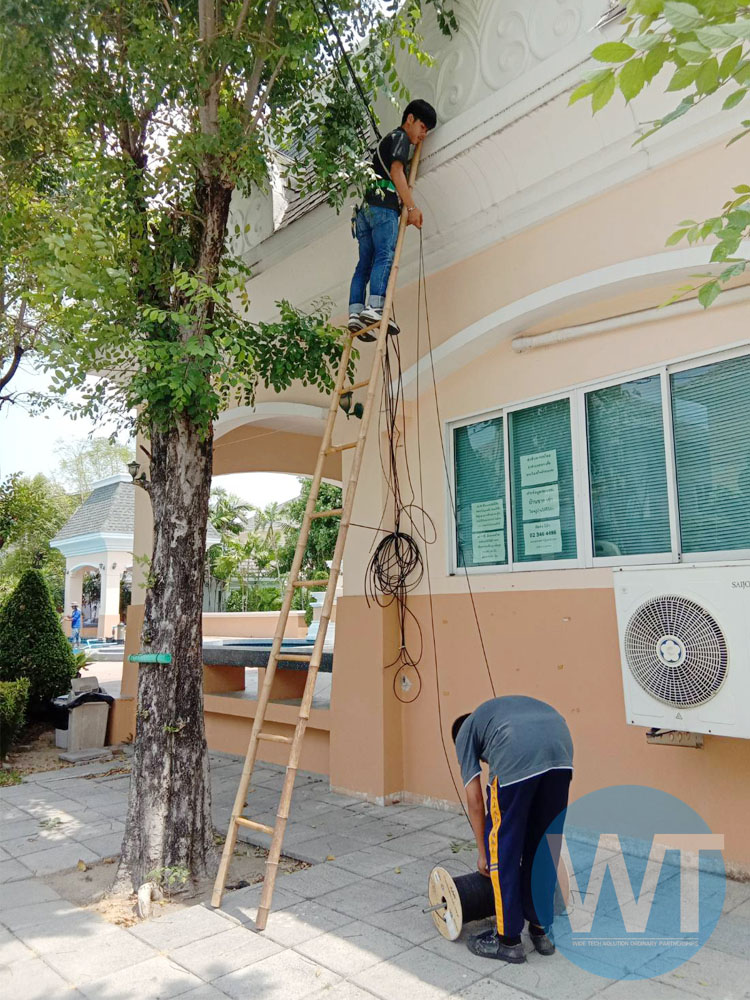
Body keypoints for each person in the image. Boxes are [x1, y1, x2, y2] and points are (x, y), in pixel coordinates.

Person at [452, 696, 573, 963]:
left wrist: (483, 853)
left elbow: (475, 800)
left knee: (503, 849)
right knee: (543, 846)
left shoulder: (464, 732)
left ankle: (508, 941)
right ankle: (541, 932)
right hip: (561, 747)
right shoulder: (496, 715)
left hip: (516, 748)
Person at [348, 99, 437, 341]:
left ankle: (355, 312)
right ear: (410, 119)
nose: (423, 135)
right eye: (422, 127)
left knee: (364, 263)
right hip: (382, 207)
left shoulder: (386, 141)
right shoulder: (400, 138)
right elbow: (397, 173)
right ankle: (375, 307)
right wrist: (411, 207)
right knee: (385, 256)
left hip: (365, 210)